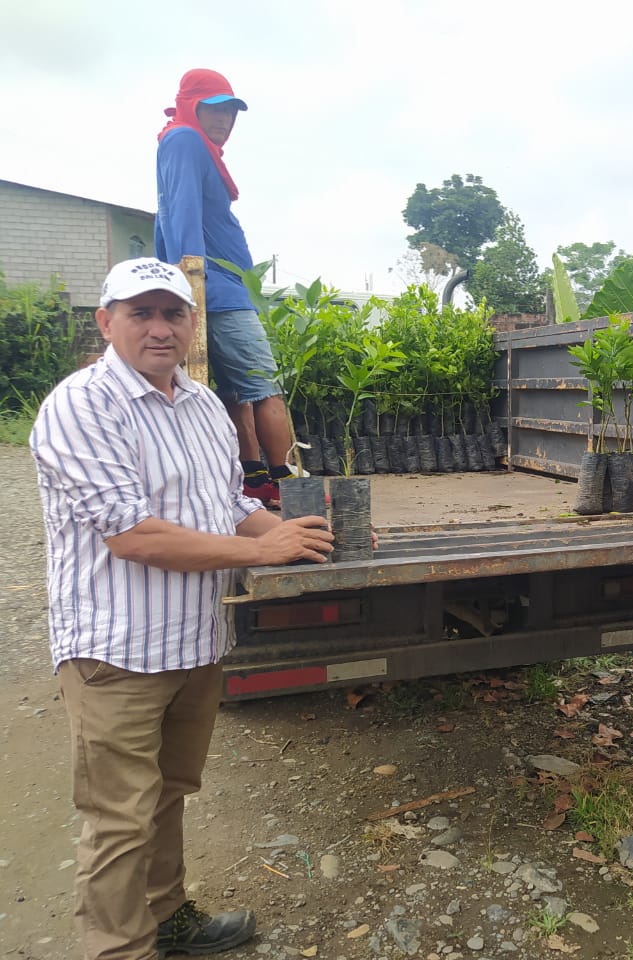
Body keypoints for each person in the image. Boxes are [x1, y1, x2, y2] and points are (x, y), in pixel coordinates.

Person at [30, 258, 334, 959]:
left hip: (193, 640)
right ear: (107, 322)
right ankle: (120, 948)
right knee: (118, 819)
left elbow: (228, 504)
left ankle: (167, 917)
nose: (159, 328)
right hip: (115, 650)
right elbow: (132, 534)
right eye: (140, 313)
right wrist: (263, 551)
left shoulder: (202, 406)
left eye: (172, 313)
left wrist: (302, 537)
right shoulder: (83, 406)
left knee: (167, 793)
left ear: (193, 324)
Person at [155, 67, 295, 504]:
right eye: (213, 108)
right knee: (265, 386)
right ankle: (290, 485)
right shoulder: (184, 139)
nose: (224, 119)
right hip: (216, 290)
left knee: (237, 391)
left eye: (231, 111)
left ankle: (254, 479)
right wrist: (190, 284)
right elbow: (180, 215)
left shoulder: (189, 144)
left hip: (219, 287)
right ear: (190, 107)